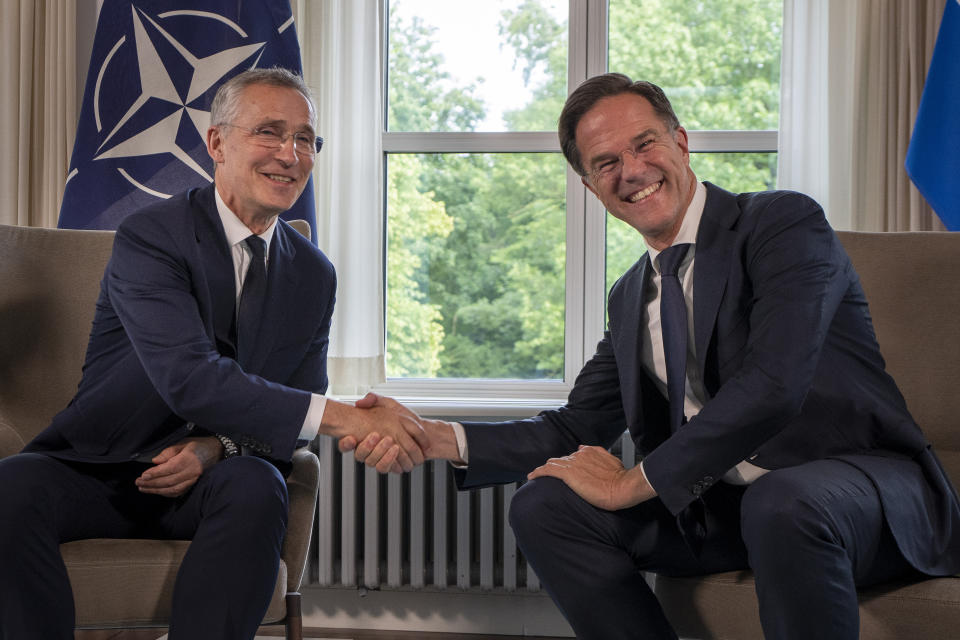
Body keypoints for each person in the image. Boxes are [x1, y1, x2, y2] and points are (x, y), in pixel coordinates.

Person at [343, 73, 960, 639]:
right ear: (590, 187)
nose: (631, 170)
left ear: (682, 141)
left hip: (858, 494)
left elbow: (774, 384)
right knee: (546, 505)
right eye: (606, 162)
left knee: (783, 502)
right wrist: (434, 437)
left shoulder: (780, 224)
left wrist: (633, 483)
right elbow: (573, 428)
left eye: (644, 145)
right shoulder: (632, 295)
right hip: (730, 510)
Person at [0, 68, 426, 640]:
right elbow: (189, 377)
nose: (290, 153)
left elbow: (295, 415)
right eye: (270, 132)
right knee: (10, 488)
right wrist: (351, 417)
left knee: (259, 484)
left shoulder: (314, 274)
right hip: (101, 466)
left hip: (211, 483)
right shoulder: (151, 237)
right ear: (217, 142)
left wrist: (214, 448)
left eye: (305, 139)